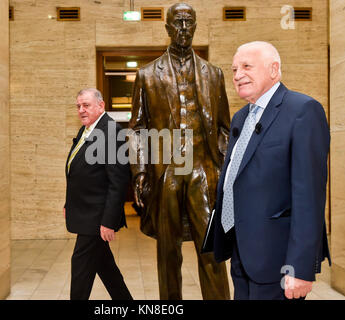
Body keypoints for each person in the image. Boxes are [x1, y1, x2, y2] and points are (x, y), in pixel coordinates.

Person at [204, 41, 331, 300]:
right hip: (241, 252)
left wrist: (301, 267)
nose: (238, 75)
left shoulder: (303, 111)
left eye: (246, 67)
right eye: (234, 69)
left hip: (279, 262)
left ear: (274, 69)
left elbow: (309, 198)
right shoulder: (240, 118)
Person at [129, 3, 230, 300]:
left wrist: (222, 167)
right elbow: (137, 129)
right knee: (168, 254)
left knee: (211, 250)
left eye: (189, 22)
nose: (184, 29)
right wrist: (141, 171)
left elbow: (225, 126)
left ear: (196, 26)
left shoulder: (214, 74)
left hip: (204, 171)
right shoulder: (147, 75)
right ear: (167, 28)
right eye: (178, 23)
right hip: (167, 174)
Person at [63, 88, 132, 300]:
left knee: (81, 269)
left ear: (100, 106)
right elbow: (79, 172)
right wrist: (69, 204)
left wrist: (108, 221)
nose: (81, 110)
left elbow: (117, 182)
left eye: (86, 105)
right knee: (107, 269)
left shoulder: (111, 132)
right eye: (78, 106)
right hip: (85, 210)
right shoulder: (89, 129)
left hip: (96, 216)